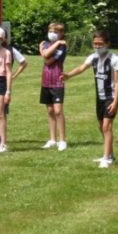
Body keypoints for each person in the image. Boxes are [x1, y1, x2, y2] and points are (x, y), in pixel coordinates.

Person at [62, 30, 118, 169]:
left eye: (100, 44)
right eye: (95, 44)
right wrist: (68, 75)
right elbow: (82, 68)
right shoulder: (93, 57)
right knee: (101, 126)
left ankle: (106, 158)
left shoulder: (114, 59)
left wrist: (115, 101)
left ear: (107, 44)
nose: (97, 46)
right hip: (99, 97)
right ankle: (110, 155)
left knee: (107, 127)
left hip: (110, 97)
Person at [39, 23, 69, 151]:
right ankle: (52, 139)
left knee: (58, 111)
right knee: (50, 111)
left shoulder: (62, 46)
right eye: (50, 30)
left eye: (55, 31)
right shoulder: (46, 43)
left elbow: (47, 59)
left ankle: (62, 140)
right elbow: (45, 54)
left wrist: (50, 47)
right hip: (46, 81)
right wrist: (43, 50)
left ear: (61, 34)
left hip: (57, 81)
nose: (52, 33)